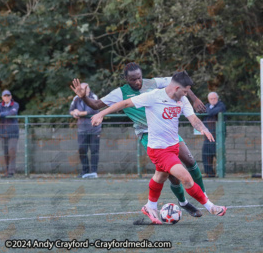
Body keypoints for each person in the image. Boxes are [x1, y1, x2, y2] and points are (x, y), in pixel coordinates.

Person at [70, 63, 207, 217]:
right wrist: (83, 97)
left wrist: (194, 99)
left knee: (190, 160)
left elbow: (183, 83)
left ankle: (204, 197)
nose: (138, 82)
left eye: (139, 78)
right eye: (133, 79)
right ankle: (184, 203)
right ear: (126, 79)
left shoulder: (154, 83)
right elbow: (95, 105)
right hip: (147, 134)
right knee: (171, 174)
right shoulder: (120, 93)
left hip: (167, 130)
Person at [90, 71, 227, 224]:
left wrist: (203, 128)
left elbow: (193, 118)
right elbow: (125, 103)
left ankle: (150, 206)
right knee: (186, 178)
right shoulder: (153, 96)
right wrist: (101, 114)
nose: (187, 94)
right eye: (185, 91)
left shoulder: (182, 99)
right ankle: (210, 207)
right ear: (176, 89)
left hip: (173, 146)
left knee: (159, 177)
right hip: (159, 150)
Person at [69, 82, 101, 178]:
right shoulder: (76, 98)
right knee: (82, 150)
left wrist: (80, 113)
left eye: (86, 88)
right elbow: (71, 110)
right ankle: (85, 171)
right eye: (82, 89)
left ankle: (94, 172)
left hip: (94, 129)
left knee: (94, 150)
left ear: (88, 89)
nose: (84, 90)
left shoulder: (94, 97)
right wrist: (74, 113)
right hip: (82, 129)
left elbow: (93, 110)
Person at [0, 90, 19, 178]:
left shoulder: (15, 104)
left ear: (11, 97)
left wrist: (0, 115)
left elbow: (12, 113)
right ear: (2, 97)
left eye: (8, 96)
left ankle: (11, 172)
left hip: (13, 132)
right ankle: (6, 172)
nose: (6, 97)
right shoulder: (0, 105)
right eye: (5, 96)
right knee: (5, 152)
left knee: (12, 151)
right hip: (3, 132)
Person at [202, 92, 226, 177]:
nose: (213, 100)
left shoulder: (221, 105)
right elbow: (202, 112)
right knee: (206, 154)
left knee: (217, 153)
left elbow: (211, 112)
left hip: (217, 135)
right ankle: (209, 173)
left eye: (214, 98)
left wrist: (208, 111)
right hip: (207, 135)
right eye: (211, 99)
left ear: (217, 98)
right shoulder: (207, 106)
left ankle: (221, 173)